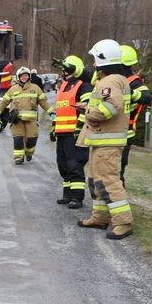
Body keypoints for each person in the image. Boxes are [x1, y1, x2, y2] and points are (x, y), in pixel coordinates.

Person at [77, 39, 133, 240]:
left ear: (103, 60)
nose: (92, 64)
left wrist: (91, 113)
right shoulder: (115, 79)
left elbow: (112, 106)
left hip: (107, 142)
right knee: (96, 180)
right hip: (102, 141)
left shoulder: (110, 81)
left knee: (109, 181)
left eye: (94, 59)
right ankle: (100, 217)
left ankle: (123, 222)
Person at [50, 55, 92, 209]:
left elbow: (86, 109)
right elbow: (60, 111)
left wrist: (79, 129)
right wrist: (54, 127)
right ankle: (67, 194)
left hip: (75, 133)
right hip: (62, 133)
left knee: (74, 164)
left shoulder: (84, 86)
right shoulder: (63, 86)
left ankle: (77, 197)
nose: (64, 72)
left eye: (66, 69)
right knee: (63, 165)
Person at [0, 66, 52, 164]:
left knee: (32, 139)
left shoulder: (35, 88)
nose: (24, 77)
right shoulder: (12, 89)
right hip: (17, 120)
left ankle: (29, 153)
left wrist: (52, 112)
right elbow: (4, 102)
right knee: (18, 139)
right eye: (22, 76)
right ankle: (18, 158)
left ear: (29, 76)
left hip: (31, 120)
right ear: (18, 77)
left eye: (26, 75)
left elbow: (44, 102)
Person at [119, 44, 152, 184]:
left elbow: (147, 97)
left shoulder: (134, 82)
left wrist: (130, 93)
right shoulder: (115, 79)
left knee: (117, 169)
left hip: (124, 132)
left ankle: (116, 198)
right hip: (111, 130)